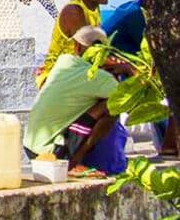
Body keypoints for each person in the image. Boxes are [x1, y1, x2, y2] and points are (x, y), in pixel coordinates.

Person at [23, 26, 135, 178]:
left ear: (76, 46)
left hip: (30, 146)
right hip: (52, 154)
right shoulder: (98, 78)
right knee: (111, 107)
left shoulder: (64, 62)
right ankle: (72, 164)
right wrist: (128, 69)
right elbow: (130, 100)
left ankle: (72, 160)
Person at [102, 0, 177, 156]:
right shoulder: (137, 15)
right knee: (161, 92)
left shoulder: (130, 8)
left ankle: (168, 141)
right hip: (115, 67)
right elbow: (155, 50)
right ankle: (168, 143)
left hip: (122, 64)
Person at [35, 0, 111, 88]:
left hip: (74, 74)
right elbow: (89, 53)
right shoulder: (74, 11)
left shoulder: (94, 8)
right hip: (55, 78)